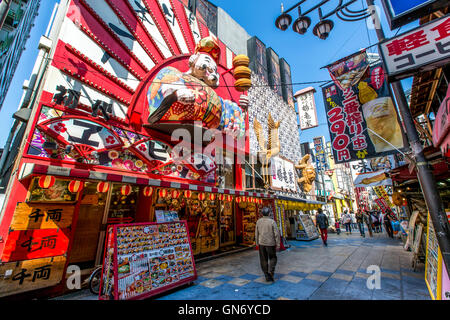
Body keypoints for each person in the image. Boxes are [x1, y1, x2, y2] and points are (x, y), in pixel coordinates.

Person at [255, 207, 280, 282]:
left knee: (263, 259)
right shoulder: (272, 222)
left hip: (261, 243)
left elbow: (256, 233)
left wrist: (257, 242)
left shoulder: (258, 222)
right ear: (269, 213)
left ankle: (266, 275)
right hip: (270, 243)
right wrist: (278, 244)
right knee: (273, 258)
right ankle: (270, 271)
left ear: (262, 214)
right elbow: (276, 234)